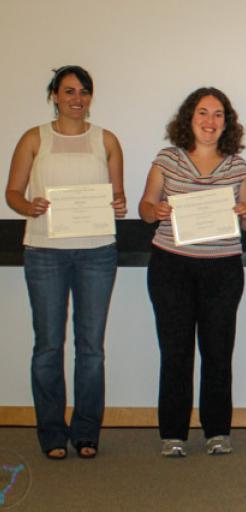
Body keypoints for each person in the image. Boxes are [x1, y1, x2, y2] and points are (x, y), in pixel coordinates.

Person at [5, 65, 127, 459]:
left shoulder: (106, 140)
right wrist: (30, 206)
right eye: (69, 91)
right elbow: (13, 193)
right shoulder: (33, 139)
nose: (78, 99)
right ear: (55, 95)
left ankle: (87, 432)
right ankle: (52, 433)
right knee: (48, 346)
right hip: (44, 252)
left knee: (91, 347)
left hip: (97, 251)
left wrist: (118, 205)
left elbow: (118, 196)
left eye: (84, 92)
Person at [139, 87, 246, 457]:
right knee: (175, 352)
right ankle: (173, 434)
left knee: (218, 352)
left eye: (218, 114)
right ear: (189, 118)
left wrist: (245, 214)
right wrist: (153, 211)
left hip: (223, 269)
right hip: (171, 266)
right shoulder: (167, 159)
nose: (210, 121)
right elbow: (145, 206)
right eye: (203, 113)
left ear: (227, 122)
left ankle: (217, 432)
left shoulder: (237, 165)